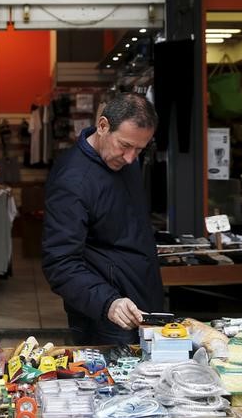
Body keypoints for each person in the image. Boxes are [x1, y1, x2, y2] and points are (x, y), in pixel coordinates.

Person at [42, 93, 164, 345]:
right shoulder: (73, 181)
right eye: (125, 146)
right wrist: (108, 302)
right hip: (106, 317)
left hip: (142, 302)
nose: (131, 158)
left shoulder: (122, 159)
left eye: (140, 149)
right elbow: (60, 263)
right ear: (103, 126)